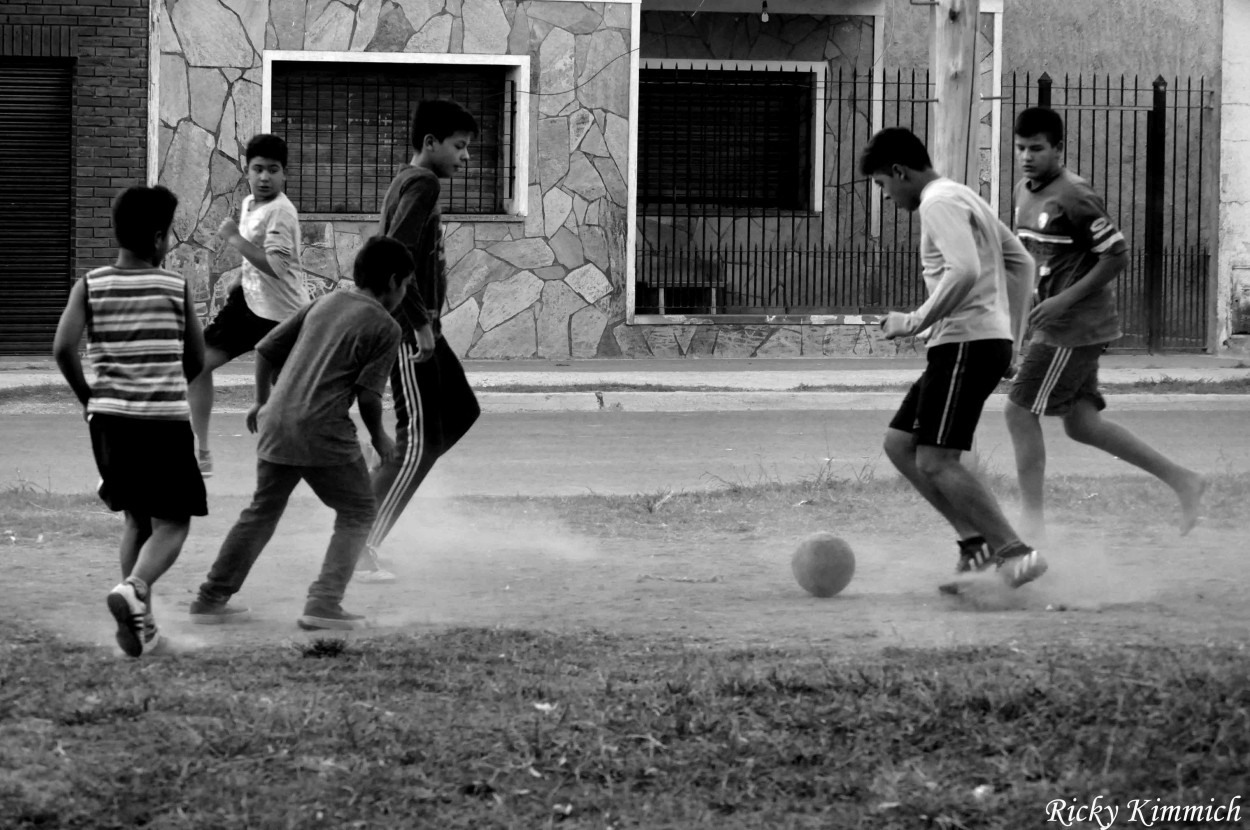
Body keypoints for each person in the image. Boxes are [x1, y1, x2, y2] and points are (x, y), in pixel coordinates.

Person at [187, 237, 411, 630]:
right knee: (358, 511)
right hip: (322, 429)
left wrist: (261, 401)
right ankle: (324, 603)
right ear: (393, 281)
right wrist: (379, 438)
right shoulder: (385, 326)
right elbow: (369, 397)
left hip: (277, 421)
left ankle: (211, 598)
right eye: (406, 285)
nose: (405, 292)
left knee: (261, 512)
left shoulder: (325, 302)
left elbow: (266, 349)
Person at [1004, 108, 1207, 540]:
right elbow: (1030, 263)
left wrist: (1062, 301)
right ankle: (1184, 480)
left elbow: (1116, 255)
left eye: (1037, 148)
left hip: (1075, 328)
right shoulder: (1023, 190)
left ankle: (1030, 530)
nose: (1026, 156)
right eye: (1020, 148)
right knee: (1081, 424)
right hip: (1056, 325)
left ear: (1058, 149)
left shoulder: (1075, 195)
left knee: (1019, 412)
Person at [860, 127, 1047, 590]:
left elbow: (964, 269)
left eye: (883, 184)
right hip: (975, 342)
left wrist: (916, 319)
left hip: (965, 343)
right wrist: (1013, 339)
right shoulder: (963, 194)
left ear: (900, 172)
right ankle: (975, 545)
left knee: (937, 459)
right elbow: (1021, 262)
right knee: (900, 445)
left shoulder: (938, 202)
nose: (885, 196)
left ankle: (1013, 551)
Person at [52, 185, 208, 657]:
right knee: (174, 522)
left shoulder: (91, 284)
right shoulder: (175, 286)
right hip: (162, 422)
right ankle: (136, 587)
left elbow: (63, 348)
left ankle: (144, 625)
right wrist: (164, 379)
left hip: (109, 423)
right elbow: (197, 359)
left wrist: (89, 399)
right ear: (159, 238)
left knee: (136, 519)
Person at [354, 99, 482, 584]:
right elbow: (397, 253)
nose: (465, 157)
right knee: (419, 441)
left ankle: (377, 480)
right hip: (410, 329)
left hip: (421, 323)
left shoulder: (409, 182)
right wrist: (419, 321)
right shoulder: (423, 183)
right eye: (459, 146)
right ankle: (358, 543)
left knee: (461, 411)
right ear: (430, 143)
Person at [189, 133, 308, 477]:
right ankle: (201, 452)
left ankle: (353, 457)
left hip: (284, 316)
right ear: (247, 170)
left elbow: (276, 265)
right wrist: (241, 283)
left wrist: (234, 239)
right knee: (197, 365)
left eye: (273, 170)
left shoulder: (282, 212)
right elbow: (257, 265)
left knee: (296, 401)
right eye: (258, 169)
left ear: (285, 174)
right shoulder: (248, 204)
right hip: (248, 306)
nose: (265, 177)